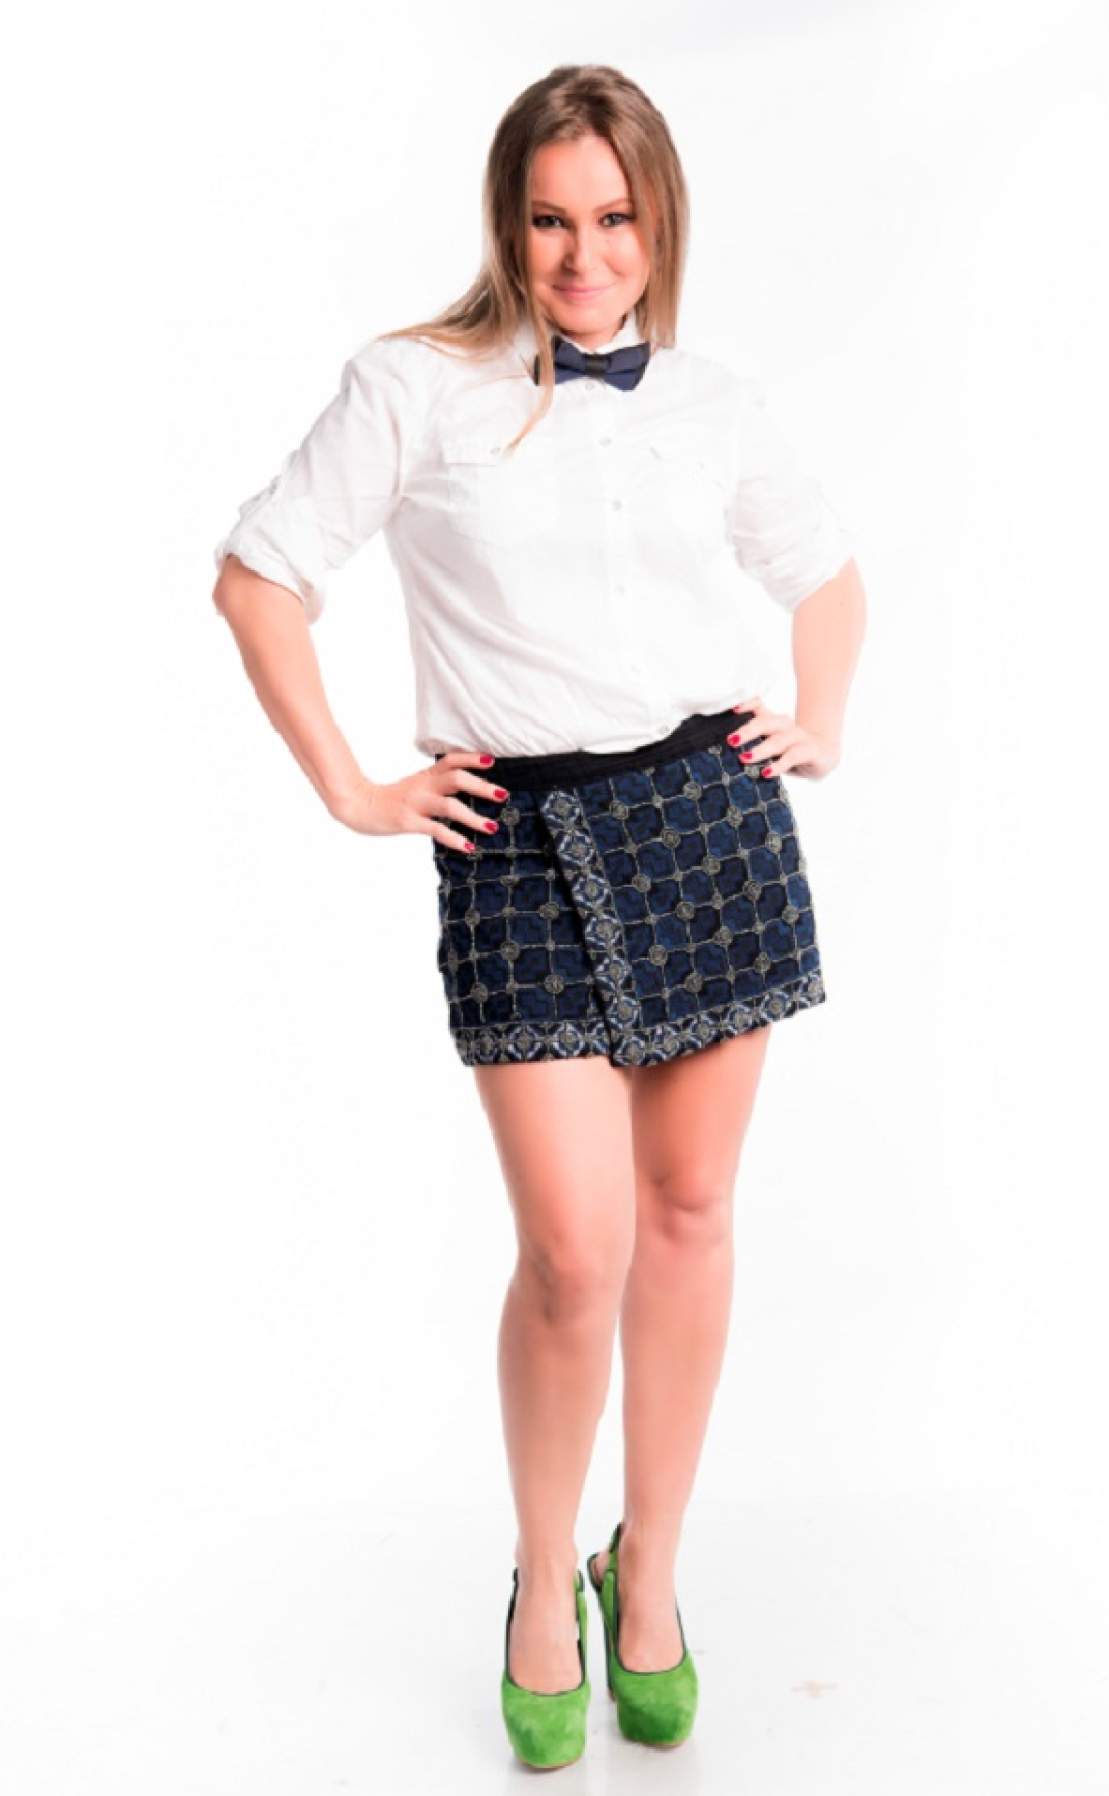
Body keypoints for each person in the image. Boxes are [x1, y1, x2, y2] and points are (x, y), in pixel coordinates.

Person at [211, 61, 866, 1770]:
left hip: (709, 815)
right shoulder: (414, 387)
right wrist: (354, 786)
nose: (585, 257)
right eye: (554, 219)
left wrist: (820, 713)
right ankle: (539, 1572)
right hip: (514, 836)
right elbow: (259, 577)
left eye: (617, 219)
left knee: (691, 1210)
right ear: (508, 221)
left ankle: (648, 1571)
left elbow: (826, 572)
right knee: (577, 1251)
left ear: (661, 223)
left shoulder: (713, 402)